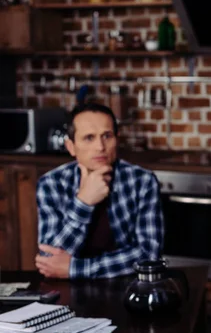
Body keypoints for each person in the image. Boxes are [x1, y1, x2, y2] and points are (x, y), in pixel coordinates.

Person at [36, 103, 164, 279]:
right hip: (68, 288)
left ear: (116, 139)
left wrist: (77, 269)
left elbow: (149, 254)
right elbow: (49, 259)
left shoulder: (142, 181)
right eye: (89, 138)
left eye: (107, 136)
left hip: (126, 286)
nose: (100, 147)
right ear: (71, 147)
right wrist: (84, 202)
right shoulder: (51, 184)